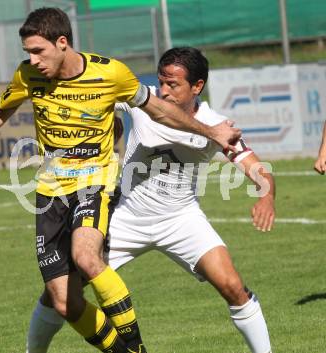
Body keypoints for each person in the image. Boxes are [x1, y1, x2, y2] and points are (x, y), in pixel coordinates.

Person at [0, 9, 240, 353]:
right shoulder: (28, 75)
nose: (32, 60)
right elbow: (2, 109)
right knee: (63, 301)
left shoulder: (110, 73)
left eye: (38, 51)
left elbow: (159, 109)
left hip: (95, 179)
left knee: (87, 257)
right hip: (51, 189)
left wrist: (210, 131)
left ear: (62, 43)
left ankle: (137, 349)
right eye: (27, 53)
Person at [25, 47, 275, 353]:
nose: (164, 91)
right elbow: (100, 104)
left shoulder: (214, 124)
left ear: (197, 87)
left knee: (233, 287)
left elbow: (258, 169)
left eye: (174, 85)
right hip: (125, 216)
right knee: (59, 292)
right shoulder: (143, 101)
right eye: (162, 82)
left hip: (181, 220)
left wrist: (266, 196)